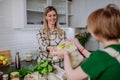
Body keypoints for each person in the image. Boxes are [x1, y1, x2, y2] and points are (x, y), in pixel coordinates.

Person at [50, 4, 120, 80]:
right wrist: (78, 45)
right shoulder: (113, 52)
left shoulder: (100, 57)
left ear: (98, 31)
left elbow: (71, 76)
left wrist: (65, 54)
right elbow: (96, 58)